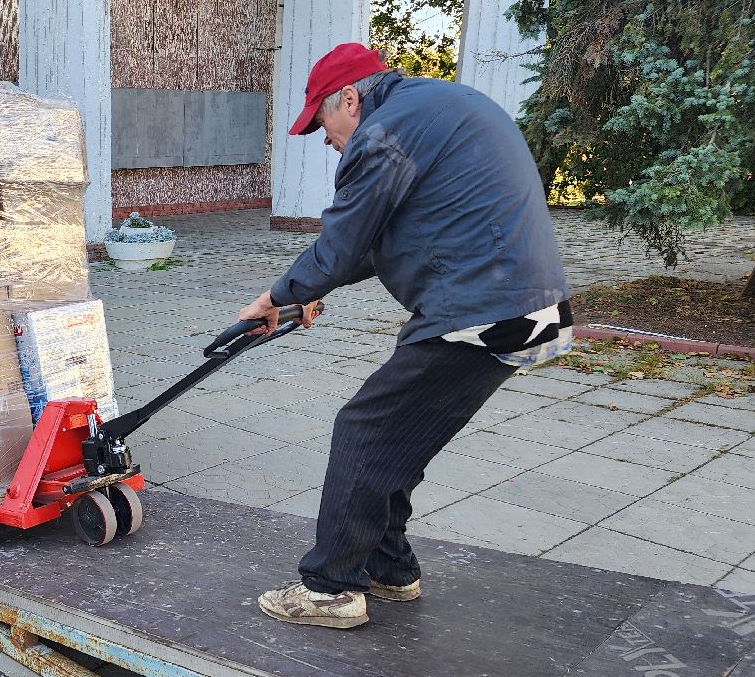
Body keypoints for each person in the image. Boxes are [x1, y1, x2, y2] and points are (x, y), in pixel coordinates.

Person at [242, 43, 571, 630]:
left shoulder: (382, 135)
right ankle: (390, 570)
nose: (325, 138)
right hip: (529, 307)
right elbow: (389, 236)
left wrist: (274, 298)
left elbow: (343, 243)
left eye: (322, 122)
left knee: (364, 429)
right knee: (400, 437)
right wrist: (310, 290)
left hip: (483, 307)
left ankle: (330, 589)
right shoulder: (434, 108)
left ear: (349, 98)